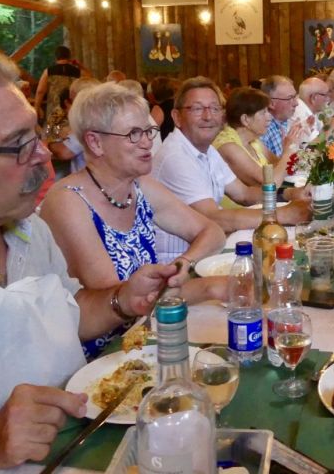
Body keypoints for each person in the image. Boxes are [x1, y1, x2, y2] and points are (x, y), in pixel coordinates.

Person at [0, 52, 178, 471]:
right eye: (18, 145)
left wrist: (121, 300)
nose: (44, 154)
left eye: (37, 134)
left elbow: (62, 314)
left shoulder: (25, 226)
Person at [40, 83, 226, 359]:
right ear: (95, 142)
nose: (147, 142)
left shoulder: (139, 186)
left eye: (148, 131)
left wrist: (183, 264)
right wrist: (211, 287)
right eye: (133, 134)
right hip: (99, 359)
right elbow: (127, 298)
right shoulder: (69, 201)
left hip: (144, 336)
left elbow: (213, 231)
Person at [151, 77, 311, 261]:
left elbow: (244, 194)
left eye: (214, 108)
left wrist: (291, 194)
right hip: (180, 262)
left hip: (207, 251)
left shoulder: (207, 150)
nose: (208, 116)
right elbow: (213, 218)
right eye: (197, 108)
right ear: (177, 117)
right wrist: (284, 214)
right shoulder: (175, 156)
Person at [213, 87, 301, 187]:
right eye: (263, 112)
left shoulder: (253, 141)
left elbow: (281, 169)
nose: (269, 117)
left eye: (268, 111)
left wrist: (288, 148)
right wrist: (289, 151)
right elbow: (270, 185)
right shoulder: (228, 146)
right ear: (245, 119)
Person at [48, 77, 101, 174]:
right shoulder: (102, 117)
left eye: (72, 100)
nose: (72, 105)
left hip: (87, 179)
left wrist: (47, 145)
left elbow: (64, 152)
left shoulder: (88, 123)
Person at [33, 45, 89, 128]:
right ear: (69, 57)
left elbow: (40, 91)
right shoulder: (77, 72)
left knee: (53, 132)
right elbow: (91, 79)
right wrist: (80, 65)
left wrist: (36, 108)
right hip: (71, 108)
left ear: (56, 57)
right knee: (71, 130)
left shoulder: (48, 71)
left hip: (53, 109)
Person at [260, 75, 300, 157]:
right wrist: (287, 150)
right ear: (271, 103)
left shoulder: (290, 121)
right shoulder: (263, 131)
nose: (296, 103)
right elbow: (269, 166)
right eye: (289, 98)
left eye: (295, 96)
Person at [148, 76, 177, 141]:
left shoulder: (157, 110)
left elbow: (151, 134)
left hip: (164, 144)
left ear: (153, 93)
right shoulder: (180, 106)